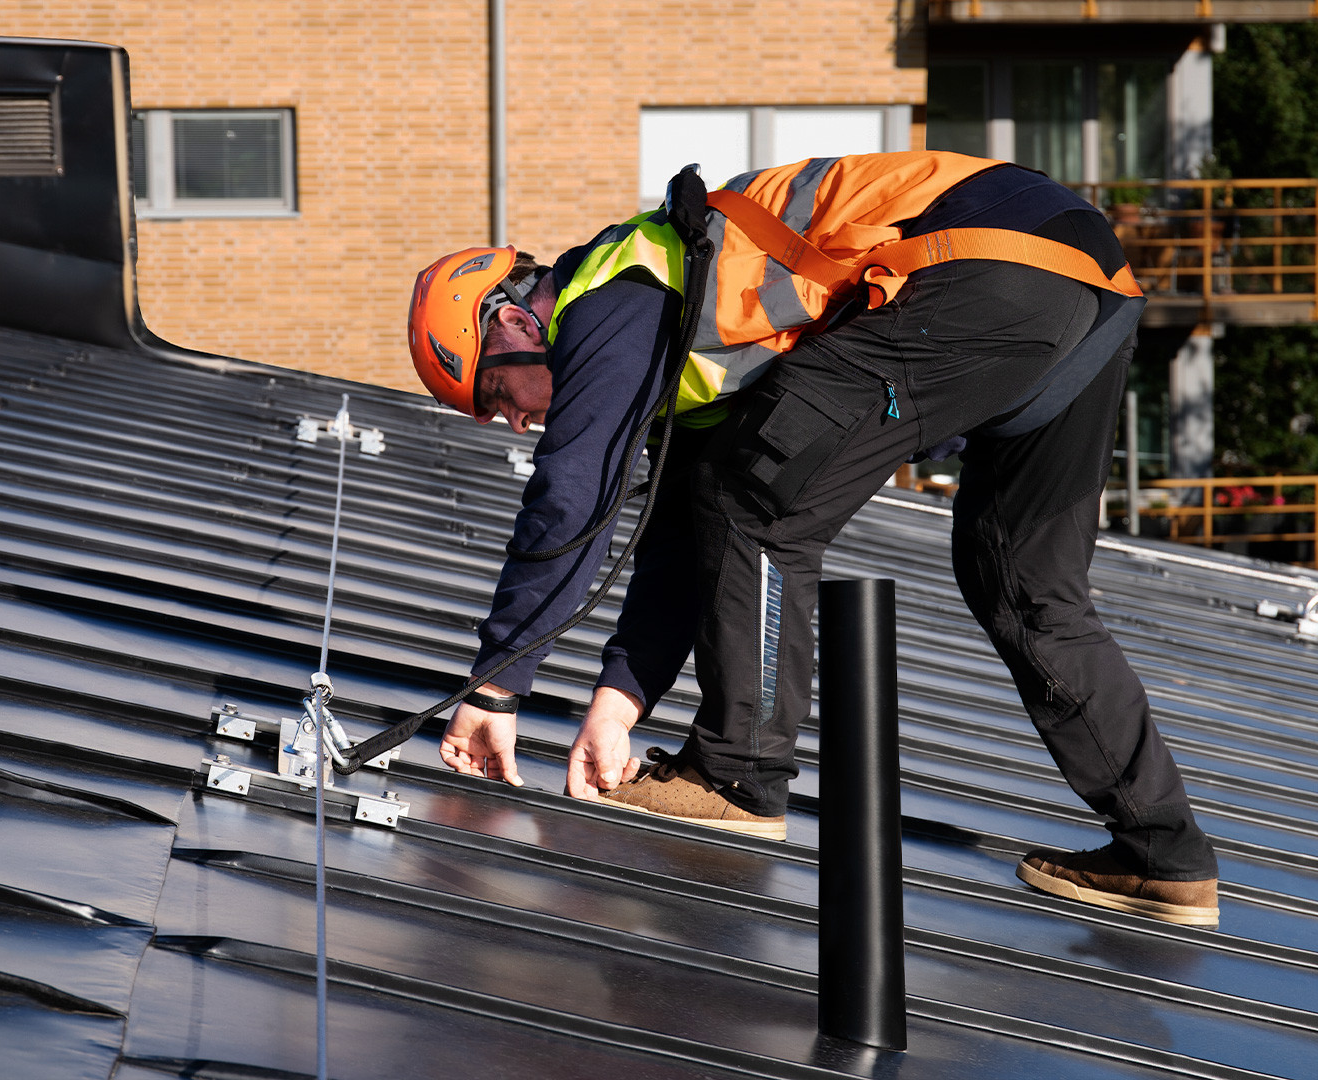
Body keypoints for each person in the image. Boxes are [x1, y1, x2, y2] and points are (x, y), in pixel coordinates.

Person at [406, 151, 1220, 927]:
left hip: (975, 265)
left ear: (513, 321)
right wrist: (618, 705)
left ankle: (737, 776)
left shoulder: (611, 300)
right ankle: (1163, 853)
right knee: (1024, 584)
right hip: (1082, 279)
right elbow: (682, 535)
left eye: (495, 392)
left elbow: (570, 499)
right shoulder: (680, 323)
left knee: (758, 500)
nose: (516, 422)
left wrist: (495, 689)